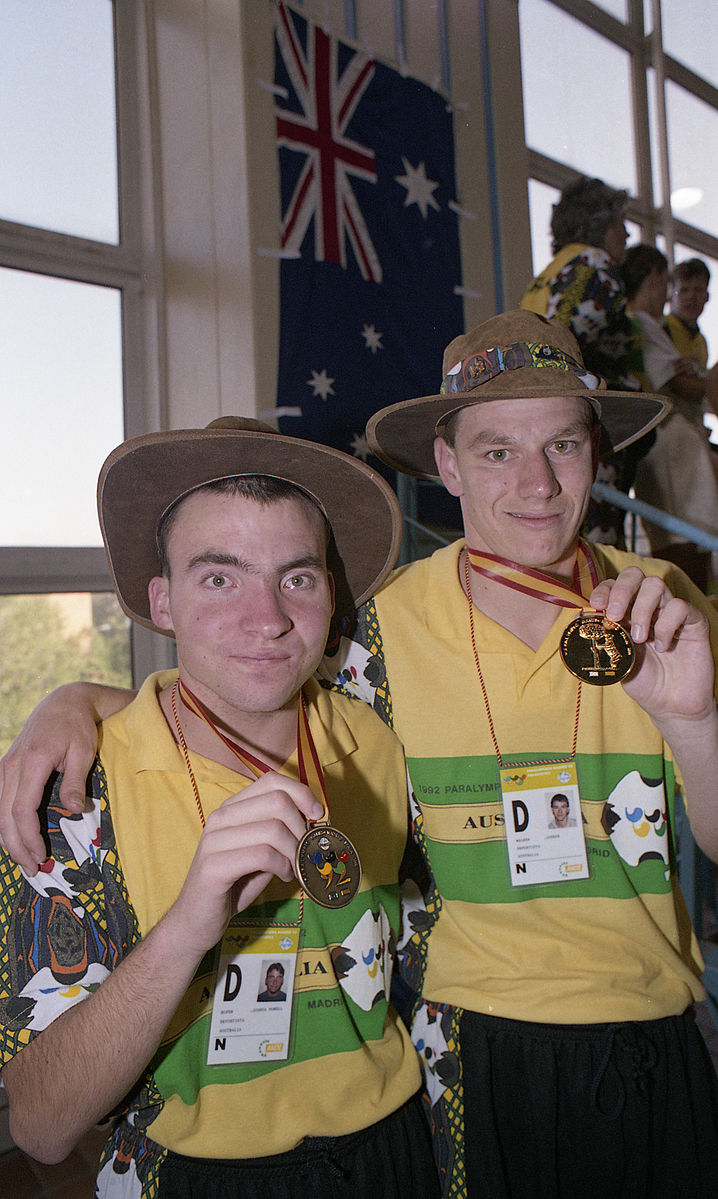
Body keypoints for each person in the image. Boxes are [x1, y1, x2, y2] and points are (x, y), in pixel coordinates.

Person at [4, 311, 718, 1199]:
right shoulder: (378, 638)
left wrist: (695, 722)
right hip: (467, 1045)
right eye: (497, 450)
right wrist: (75, 703)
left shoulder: (659, 606)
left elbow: (270, 674)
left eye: (564, 445)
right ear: (447, 464)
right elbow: (248, 679)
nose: (536, 482)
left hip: (615, 1040)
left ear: (597, 452)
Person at [0, 418, 440, 1199]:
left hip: (393, 1149)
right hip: (189, 1172)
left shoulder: (381, 739)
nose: (266, 617)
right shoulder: (70, 797)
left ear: (331, 592)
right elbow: (39, 1124)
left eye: (297, 577)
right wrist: (187, 927)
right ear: (160, 600)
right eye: (219, 577)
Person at [519, 175, 646, 545]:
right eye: (619, 223)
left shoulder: (549, 273)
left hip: (553, 416)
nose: (625, 234)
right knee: (599, 534)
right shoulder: (593, 262)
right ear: (600, 224)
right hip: (590, 420)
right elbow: (565, 335)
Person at [622, 244, 718, 589]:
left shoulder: (642, 327)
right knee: (688, 546)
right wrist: (703, 380)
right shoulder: (647, 326)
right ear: (656, 279)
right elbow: (691, 389)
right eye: (674, 287)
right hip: (670, 447)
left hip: (664, 446)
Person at [666, 258, 712, 369]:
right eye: (684, 290)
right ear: (671, 296)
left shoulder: (701, 341)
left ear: (707, 297)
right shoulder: (661, 328)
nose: (691, 296)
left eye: (698, 290)